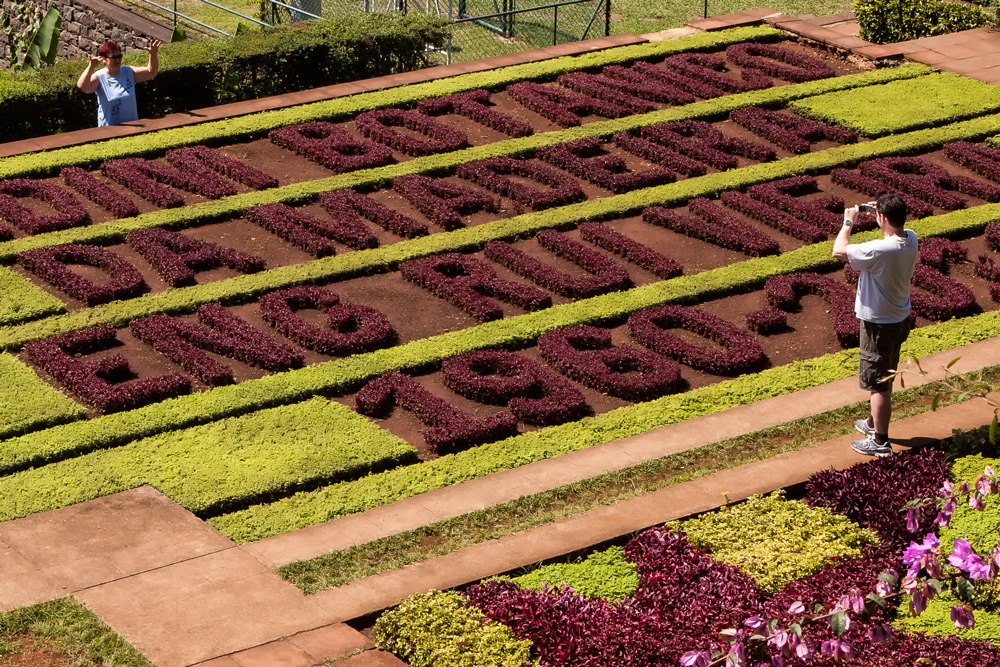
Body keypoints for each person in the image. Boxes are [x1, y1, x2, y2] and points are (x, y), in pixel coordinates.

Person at [832, 193, 918, 457]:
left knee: (878, 383)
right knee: (886, 372)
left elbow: (838, 251)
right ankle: (872, 422)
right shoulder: (910, 237)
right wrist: (875, 211)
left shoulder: (880, 249)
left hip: (878, 324)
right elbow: (892, 229)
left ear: (882, 218)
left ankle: (880, 441)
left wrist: (849, 221)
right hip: (898, 318)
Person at [77, 39, 161, 127]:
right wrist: (91, 67)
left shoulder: (128, 71)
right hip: (109, 130)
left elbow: (151, 73)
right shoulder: (99, 77)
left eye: (119, 56)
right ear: (104, 59)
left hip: (133, 128)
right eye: (113, 57)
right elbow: (82, 87)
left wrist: (153, 54)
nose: (117, 60)